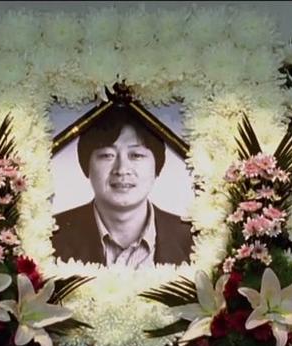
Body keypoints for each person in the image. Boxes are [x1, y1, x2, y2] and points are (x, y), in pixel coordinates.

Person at [52, 107, 192, 268]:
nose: (122, 169)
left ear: (157, 166)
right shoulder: (49, 236)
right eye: (107, 155)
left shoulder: (193, 239)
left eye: (136, 155)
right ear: (86, 165)